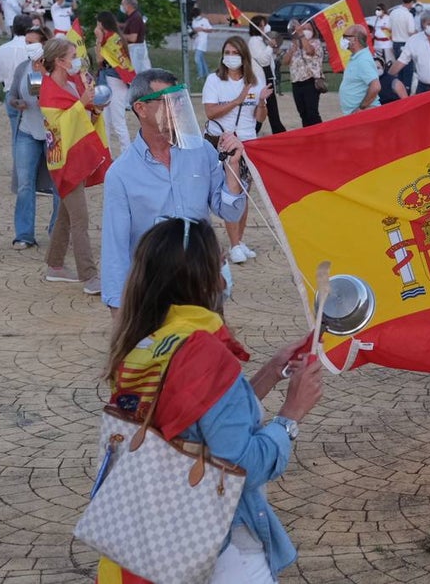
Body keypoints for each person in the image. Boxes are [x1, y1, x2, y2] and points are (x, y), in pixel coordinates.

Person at [100, 217, 324, 583]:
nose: (225, 272)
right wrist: (291, 414)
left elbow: (196, 425)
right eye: (219, 262)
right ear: (205, 280)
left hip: (148, 537)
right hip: (219, 551)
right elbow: (240, 466)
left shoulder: (145, 345)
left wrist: (271, 372)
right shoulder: (203, 355)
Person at [101, 69, 246, 316]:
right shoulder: (120, 174)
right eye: (168, 101)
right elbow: (115, 247)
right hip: (153, 289)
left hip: (202, 283)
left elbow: (231, 213)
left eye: (180, 100)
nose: (177, 108)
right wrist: (119, 310)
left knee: (207, 352)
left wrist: (233, 168)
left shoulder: (202, 152)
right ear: (141, 108)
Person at [37, 37, 101, 295]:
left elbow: (81, 115)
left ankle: (55, 266)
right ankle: (89, 277)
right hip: (63, 162)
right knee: (80, 219)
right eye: (72, 55)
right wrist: (83, 102)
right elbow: (59, 124)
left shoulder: (73, 85)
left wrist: (94, 106)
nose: (76, 60)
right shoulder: (48, 90)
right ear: (60, 61)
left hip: (76, 156)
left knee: (65, 216)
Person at [204, 36, 270, 264]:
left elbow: (260, 118)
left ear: (244, 56)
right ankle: (233, 246)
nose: (230, 56)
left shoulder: (254, 81)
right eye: (227, 52)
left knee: (243, 195)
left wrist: (261, 101)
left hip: (248, 143)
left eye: (235, 52)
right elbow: (210, 113)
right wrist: (237, 100)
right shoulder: (214, 80)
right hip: (223, 143)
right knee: (230, 193)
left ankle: (239, 241)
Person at [10, 33, 58, 250]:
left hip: (52, 135)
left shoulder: (56, 69)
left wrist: (44, 84)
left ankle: (58, 232)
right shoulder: (22, 68)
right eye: (27, 43)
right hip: (27, 132)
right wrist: (15, 102)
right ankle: (24, 234)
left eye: (33, 42)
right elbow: (10, 95)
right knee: (25, 184)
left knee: (60, 186)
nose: (29, 46)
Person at [94, 12, 134, 156]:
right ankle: (108, 155)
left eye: (98, 23)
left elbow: (99, 60)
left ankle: (127, 156)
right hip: (109, 79)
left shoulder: (111, 39)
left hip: (115, 81)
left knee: (118, 122)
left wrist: (98, 40)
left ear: (102, 24)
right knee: (106, 123)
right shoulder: (113, 37)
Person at [0, 14, 33, 145]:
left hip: (10, 93)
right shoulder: (33, 49)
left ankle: (18, 162)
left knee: (16, 134)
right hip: (31, 94)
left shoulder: (1, 50)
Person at [283, 19, 324, 127]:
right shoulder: (294, 43)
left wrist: (301, 34)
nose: (305, 31)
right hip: (296, 82)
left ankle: (319, 134)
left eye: (308, 29)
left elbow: (310, 51)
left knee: (312, 113)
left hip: (310, 81)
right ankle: (308, 136)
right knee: (303, 113)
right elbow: (285, 61)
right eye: (303, 28)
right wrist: (293, 49)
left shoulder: (316, 42)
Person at [248, 16, 286, 134]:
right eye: (262, 25)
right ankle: (279, 133)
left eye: (265, 25)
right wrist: (269, 46)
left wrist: (272, 49)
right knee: (266, 111)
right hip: (261, 82)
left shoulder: (263, 41)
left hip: (268, 79)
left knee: (272, 112)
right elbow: (263, 60)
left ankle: (279, 133)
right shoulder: (254, 41)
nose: (265, 27)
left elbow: (269, 59)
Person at [338, 24, 381, 115]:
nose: (342, 39)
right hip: (354, 114)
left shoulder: (363, 60)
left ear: (355, 39)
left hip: (364, 114)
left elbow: (375, 87)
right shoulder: (357, 57)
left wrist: (361, 108)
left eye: (345, 37)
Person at [388, 0, 418, 91]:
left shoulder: (393, 12)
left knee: (398, 70)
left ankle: (397, 93)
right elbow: (411, 31)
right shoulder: (408, 15)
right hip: (406, 44)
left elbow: (389, 28)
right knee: (407, 72)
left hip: (395, 44)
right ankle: (406, 93)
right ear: (412, 2)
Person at [119, 0, 152, 74]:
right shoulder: (132, 17)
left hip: (135, 51)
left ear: (128, 5)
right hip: (134, 50)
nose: (122, 6)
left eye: (123, 4)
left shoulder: (135, 18)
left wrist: (119, 36)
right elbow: (128, 26)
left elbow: (133, 38)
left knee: (138, 74)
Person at [190, 7, 213, 79]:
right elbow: (193, 32)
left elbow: (210, 30)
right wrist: (194, 32)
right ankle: (207, 73)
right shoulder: (194, 21)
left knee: (197, 58)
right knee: (201, 59)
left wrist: (202, 29)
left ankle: (201, 74)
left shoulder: (205, 20)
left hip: (203, 42)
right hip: (197, 41)